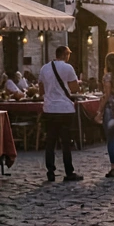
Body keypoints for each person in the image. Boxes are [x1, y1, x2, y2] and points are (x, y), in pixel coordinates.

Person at [38, 45, 82, 182]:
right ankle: (69, 172)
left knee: (50, 142)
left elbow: (41, 90)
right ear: (64, 55)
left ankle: (50, 171)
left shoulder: (44, 68)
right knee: (65, 142)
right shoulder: (68, 68)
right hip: (65, 109)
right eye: (68, 54)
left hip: (50, 109)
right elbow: (74, 88)